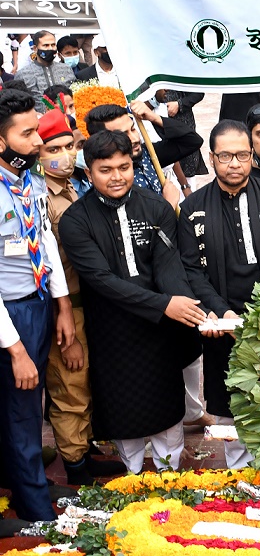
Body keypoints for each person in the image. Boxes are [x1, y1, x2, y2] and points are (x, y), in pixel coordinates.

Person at [61, 130, 205, 474]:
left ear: (132, 164)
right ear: (89, 172)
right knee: (124, 411)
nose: (116, 176)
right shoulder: (75, 221)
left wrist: (181, 304)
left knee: (167, 409)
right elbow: (101, 281)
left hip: (158, 331)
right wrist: (164, 305)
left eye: (123, 167)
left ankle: (170, 478)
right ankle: (133, 479)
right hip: (112, 330)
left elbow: (169, 268)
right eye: (105, 169)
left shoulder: (155, 207)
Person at [178, 120, 260, 468]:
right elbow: (191, 269)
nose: (234, 163)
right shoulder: (193, 208)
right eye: (226, 156)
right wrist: (219, 311)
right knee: (231, 402)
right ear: (211, 156)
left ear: (252, 156)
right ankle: (238, 472)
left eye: (242, 155)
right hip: (221, 324)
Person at [37, 109, 126, 486]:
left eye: (69, 145)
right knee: (70, 385)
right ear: (37, 156)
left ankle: (84, 448)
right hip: (65, 306)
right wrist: (66, 316)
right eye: (52, 148)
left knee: (86, 381)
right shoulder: (40, 197)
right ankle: (74, 465)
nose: (64, 154)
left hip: (87, 301)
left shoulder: (73, 184)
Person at [0, 89, 73, 523]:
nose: (37, 143)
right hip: (10, 316)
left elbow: (42, 242)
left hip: (39, 302)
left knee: (28, 408)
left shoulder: (25, 180)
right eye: (26, 134)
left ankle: (30, 482)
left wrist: (62, 306)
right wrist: (16, 349)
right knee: (21, 414)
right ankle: (34, 508)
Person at [85, 102, 203, 211]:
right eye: (123, 134)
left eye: (133, 129)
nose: (135, 139)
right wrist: (169, 206)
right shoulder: (112, 184)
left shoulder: (148, 154)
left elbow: (192, 141)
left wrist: (153, 117)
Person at [15, 31, 75, 113]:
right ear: (35, 48)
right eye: (46, 45)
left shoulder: (66, 69)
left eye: (53, 45)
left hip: (67, 118)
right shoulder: (23, 74)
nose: (50, 48)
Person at [159, 89, 208, 187]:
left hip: (182, 123)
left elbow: (198, 92)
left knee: (187, 169)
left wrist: (180, 104)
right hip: (158, 126)